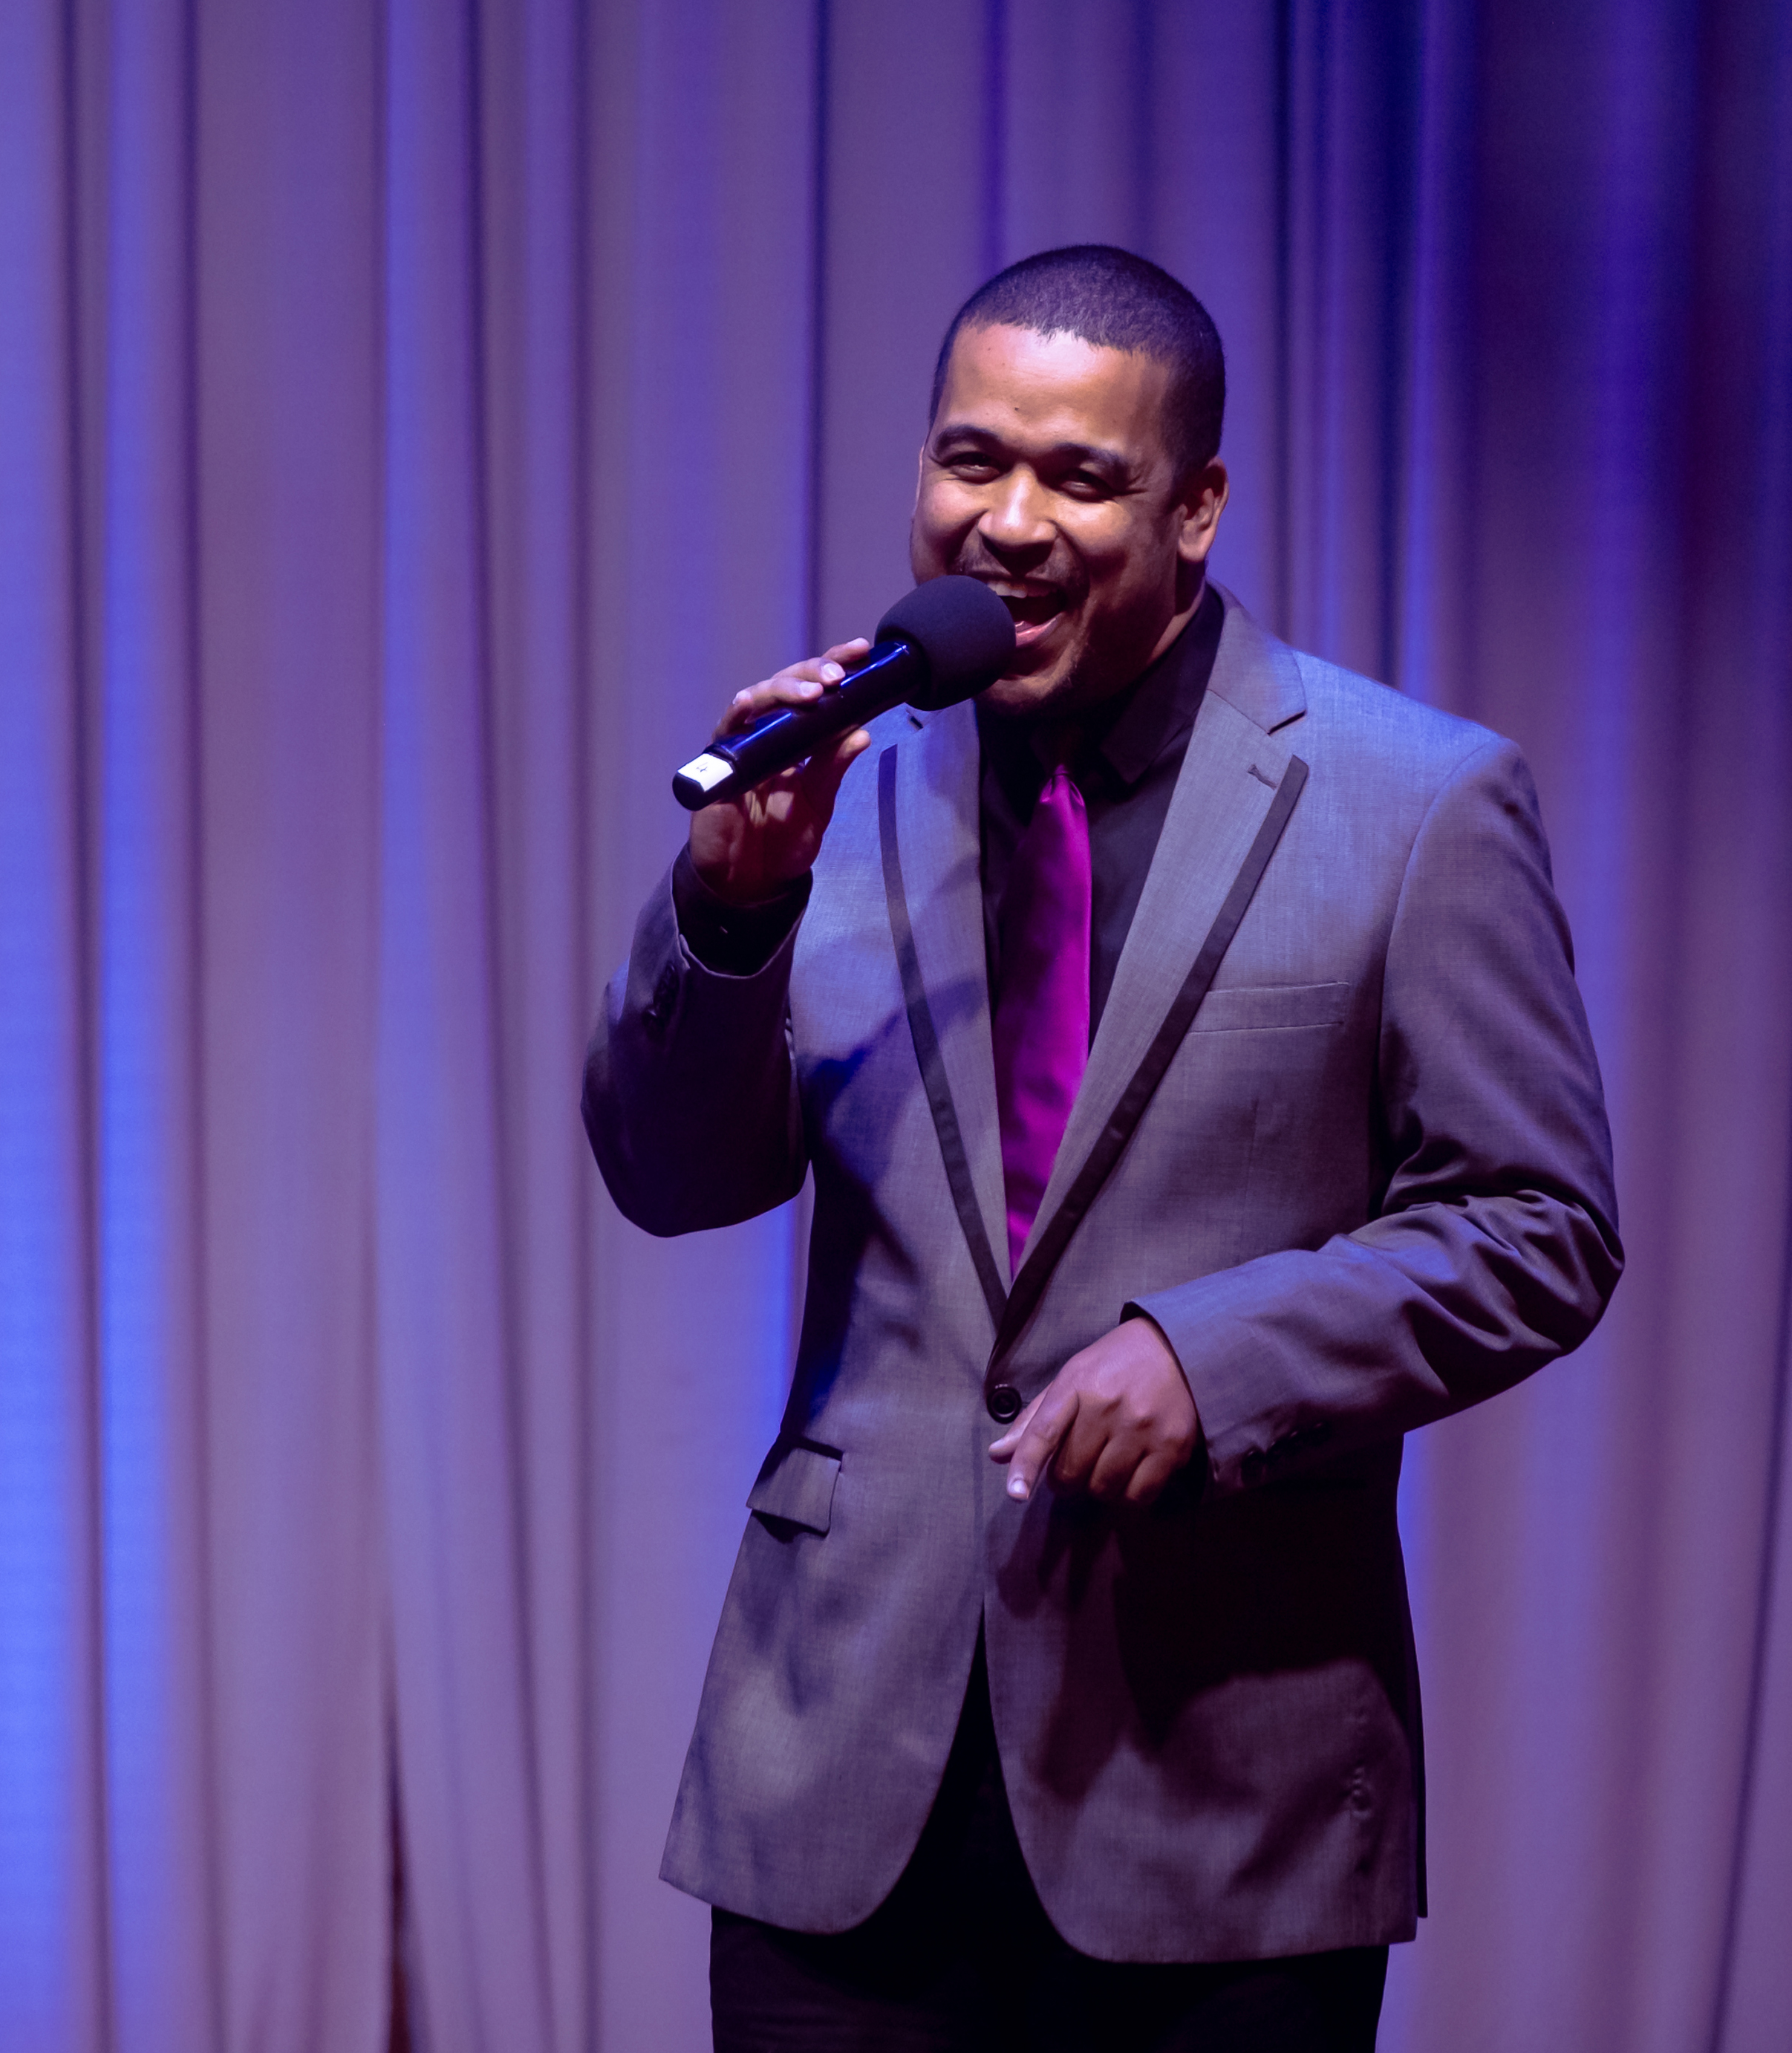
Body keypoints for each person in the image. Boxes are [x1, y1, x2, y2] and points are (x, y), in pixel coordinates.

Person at [584, 246, 1619, 2052]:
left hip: (1220, 1789)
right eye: (971, 459)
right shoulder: (842, 777)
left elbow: (1540, 1222)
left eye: (1080, 477)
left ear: (1196, 506)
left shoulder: (1417, 799)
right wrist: (732, 912)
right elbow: (672, 1180)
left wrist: (1218, 1357)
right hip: (838, 1776)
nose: (1009, 523)